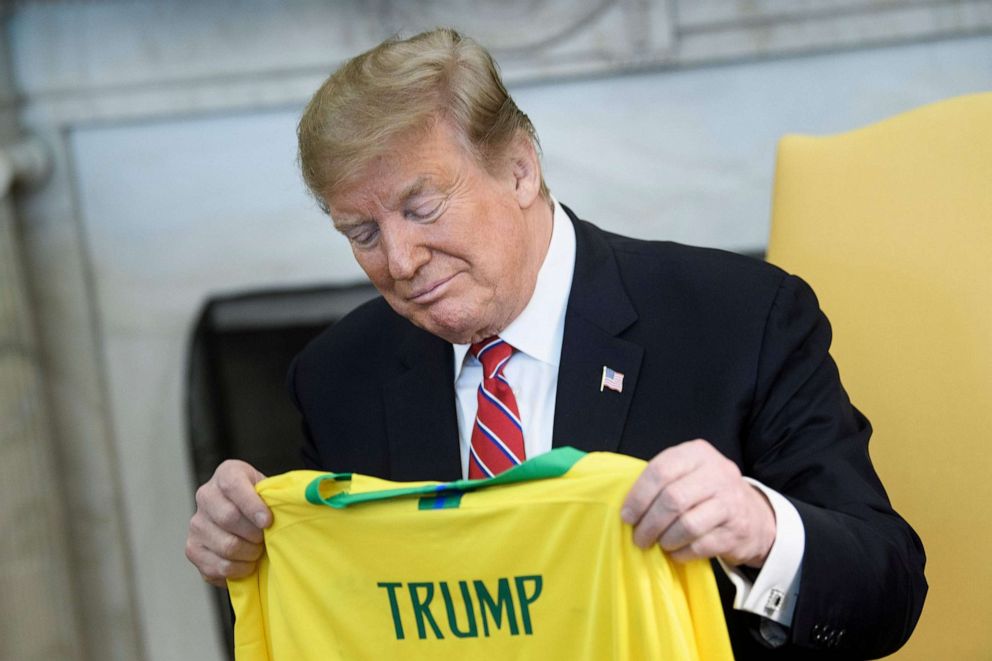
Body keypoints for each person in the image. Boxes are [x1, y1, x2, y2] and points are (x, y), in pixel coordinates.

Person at [185, 28, 926, 657]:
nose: (400, 260)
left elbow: (888, 585)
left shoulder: (738, 318)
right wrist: (251, 539)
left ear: (518, 168)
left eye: (422, 206)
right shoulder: (337, 374)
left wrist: (760, 528)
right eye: (363, 231)